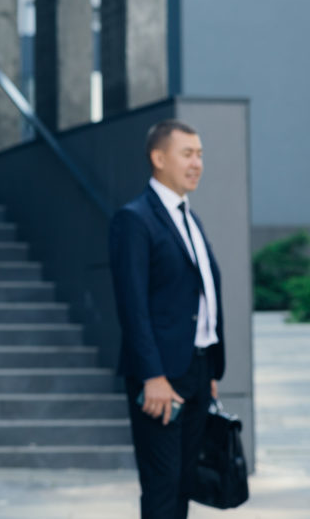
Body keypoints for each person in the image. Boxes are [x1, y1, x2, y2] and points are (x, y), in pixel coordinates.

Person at [109, 120, 226, 518]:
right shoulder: (135, 219)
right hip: (160, 376)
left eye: (200, 155)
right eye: (188, 154)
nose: (197, 163)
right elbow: (132, 304)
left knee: (182, 483)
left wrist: (209, 367)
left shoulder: (189, 218)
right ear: (159, 158)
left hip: (197, 367)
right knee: (161, 486)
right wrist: (152, 376)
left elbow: (197, 295)